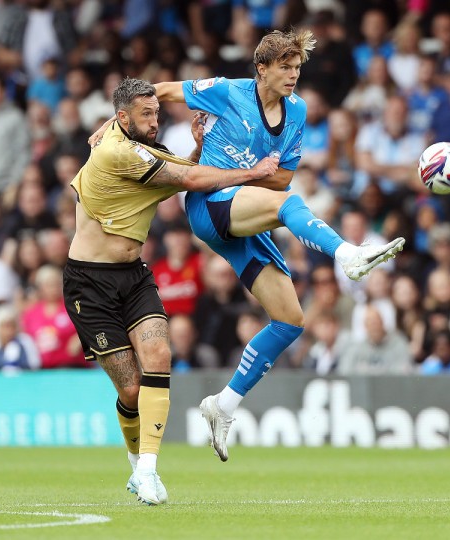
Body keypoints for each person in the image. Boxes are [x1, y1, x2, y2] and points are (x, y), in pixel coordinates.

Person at [150, 30, 406, 463]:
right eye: (285, 68)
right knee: (289, 204)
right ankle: (348, 254)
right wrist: (115, 123)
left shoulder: (298, 110)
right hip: (209, 204)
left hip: (245, 213)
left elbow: (282, 177)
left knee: (290, 320)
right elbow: (160, 91)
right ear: (261, 69)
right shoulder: (228, 91)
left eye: (297, 68)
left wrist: (257, 173)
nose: (293, 76)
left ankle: (223, 406)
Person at [67, 78, 278, 505]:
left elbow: (178, 175)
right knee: (129, 390)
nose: (155, 121)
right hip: (89, 281)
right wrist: (253, 173)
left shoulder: (129, 141)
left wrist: (198, 150)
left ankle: (148, 470)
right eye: (146, 115)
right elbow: (189, 178)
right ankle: (135, 466)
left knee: (159, 355)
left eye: (157, 113)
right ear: (123, 117)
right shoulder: (115, 151)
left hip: (132, 275)